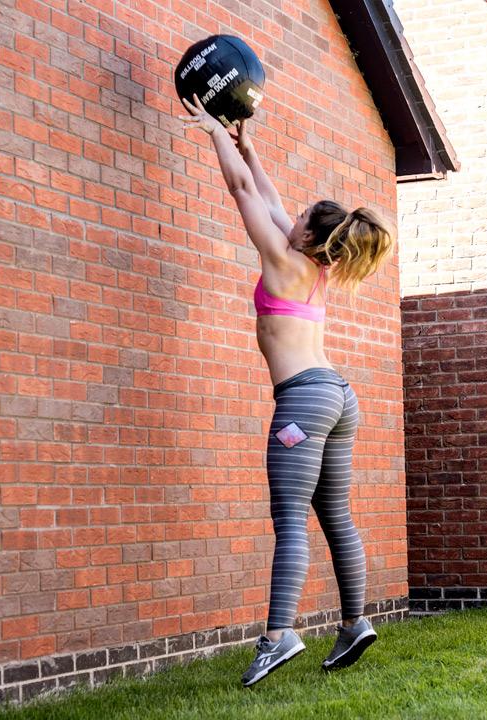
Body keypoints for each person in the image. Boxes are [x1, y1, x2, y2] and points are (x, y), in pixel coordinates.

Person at [179, 94, 394, 687]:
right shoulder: (316, 261)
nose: (289, 214)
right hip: (339, 397)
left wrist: (213, 134)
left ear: (304, 234)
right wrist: (249, 145)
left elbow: (243, 194)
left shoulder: (281, 256)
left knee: (290, 521)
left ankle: (278, 637)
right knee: (336, 516)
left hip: (302, 400)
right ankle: (355, 623)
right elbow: (268, 197)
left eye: (299, 215)